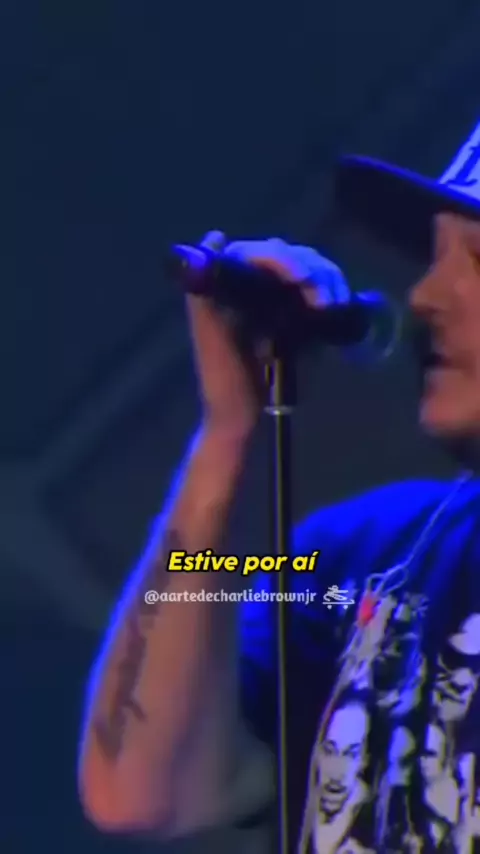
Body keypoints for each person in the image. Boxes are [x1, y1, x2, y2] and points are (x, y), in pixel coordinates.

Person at [78, 116, 480, 854]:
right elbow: (136, 791)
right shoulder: (352, 561)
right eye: (435, 255)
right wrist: (227, 434)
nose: (424, 295)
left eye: (478, 261)